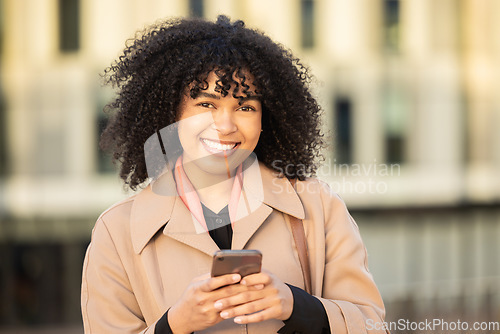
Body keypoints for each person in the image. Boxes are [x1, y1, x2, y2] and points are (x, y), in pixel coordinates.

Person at [81, 15, 388, 334]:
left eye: (245, 108)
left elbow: (372, 325)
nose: (225, 126)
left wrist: (296, 306)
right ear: (170, 112)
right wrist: (174, 325)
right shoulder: (116, 233)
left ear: (266, 117)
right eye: (206, 104)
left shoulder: (318, 207)